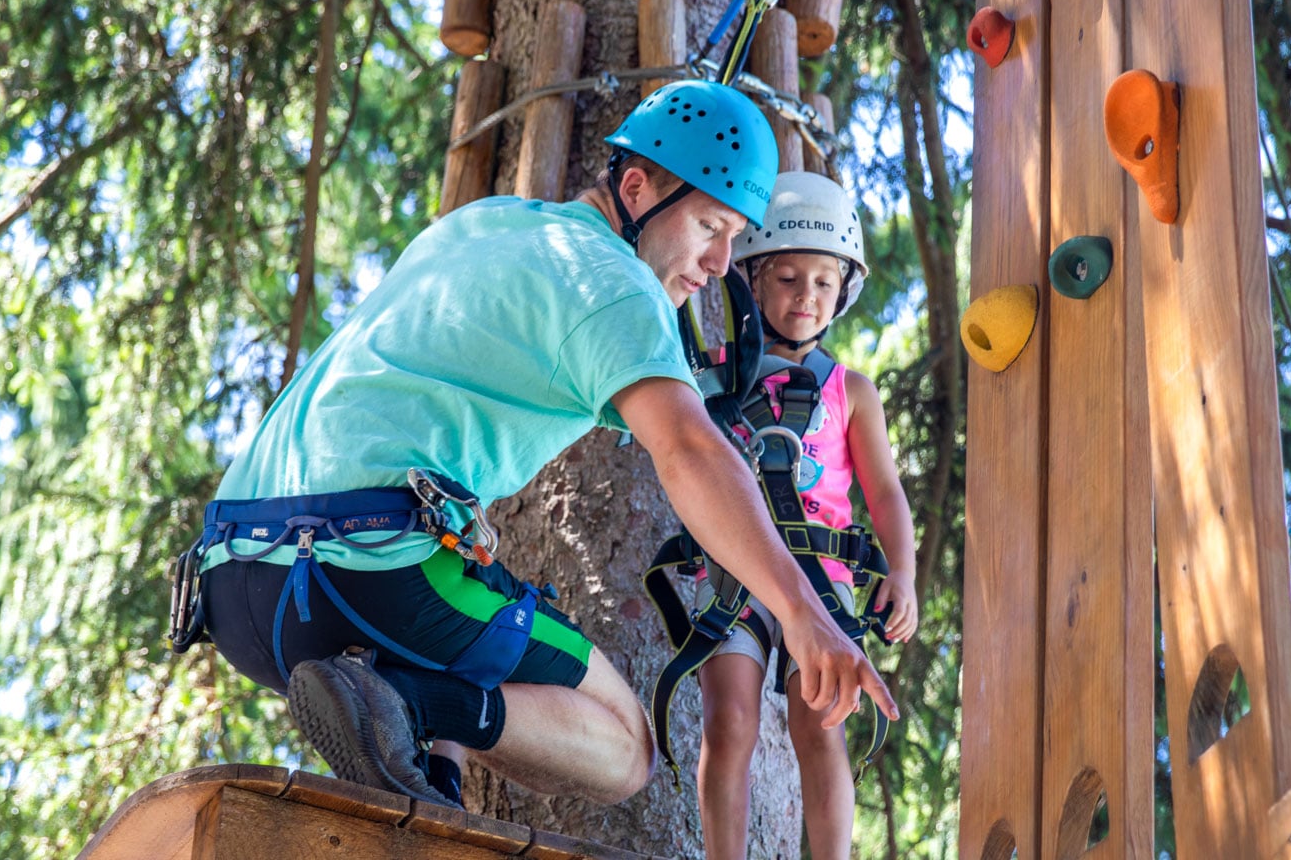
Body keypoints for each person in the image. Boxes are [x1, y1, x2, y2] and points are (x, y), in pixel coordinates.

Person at [176, 81, 900, 812]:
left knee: (466, 622)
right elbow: (688, 450)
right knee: (625, 747)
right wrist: (805, 613)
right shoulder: (617, 286)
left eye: (735, 240)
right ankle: (403, 702)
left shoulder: (484, 222)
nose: (719, 263)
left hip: (232, 586)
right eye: (710, 226)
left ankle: (430, 781)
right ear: (638, 185)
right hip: (363, 568)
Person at [694, 172, 920, 860]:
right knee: (728, 722)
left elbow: (884, 493)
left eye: (824, 282)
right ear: (751, 282)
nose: (806, 296)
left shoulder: (851, 390)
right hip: (735, 574)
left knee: (820, 727)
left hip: (821, 582)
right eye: (788, 277)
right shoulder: (715, 380)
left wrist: (902, 575)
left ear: (843, 292)